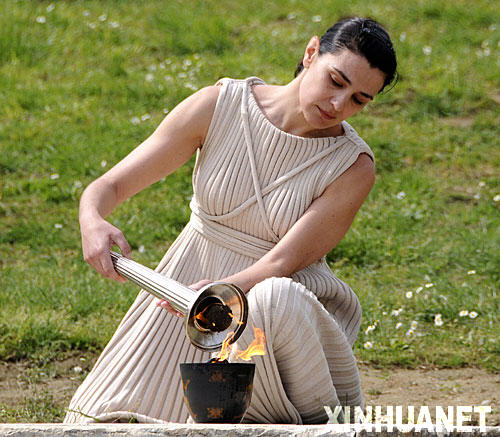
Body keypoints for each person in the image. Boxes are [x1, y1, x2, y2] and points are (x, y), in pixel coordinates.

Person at [64, 16, 397, 424]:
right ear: (311, 53)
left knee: (273, 295)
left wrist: (219, 293)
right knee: (96, 423)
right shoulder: (219, 104)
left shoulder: (353, 166)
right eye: (335, 81)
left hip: (277, 313)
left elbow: (282, 263)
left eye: (359, 100)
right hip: (188, 287)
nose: (338, 105)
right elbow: (112, 185)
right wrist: (91, 218)